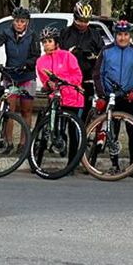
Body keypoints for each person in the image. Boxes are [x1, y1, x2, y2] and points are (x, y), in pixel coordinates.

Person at [93, 19, 133, 175]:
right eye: (119, 35)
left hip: (130, 97)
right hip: (111, 97)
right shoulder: (106, 51)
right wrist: (102, 95)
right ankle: (114, 164)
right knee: (113, 132)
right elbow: (98, 74)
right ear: (115, 35)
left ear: (129, 35)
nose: (122, 38)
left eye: (125, 34)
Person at [35, 26, 85, 168]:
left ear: (56, 42)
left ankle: (72, 164)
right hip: (55, 98)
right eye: (44, 42)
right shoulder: (40, 62)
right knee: (47, 127)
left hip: (72, 98)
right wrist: (48, 84)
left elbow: (77, 76)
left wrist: (61, 79)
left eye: (49, 41)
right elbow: (44, 81)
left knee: (72, 131)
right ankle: (37, 160)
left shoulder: (67, 56)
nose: (47, 44)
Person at [59, 0, 105, 99]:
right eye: (80, 21)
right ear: (74, 17)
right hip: (69, 77)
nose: (83, 24)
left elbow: (103, 54)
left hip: (88, 76)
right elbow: (58, 54)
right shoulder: (65, 33)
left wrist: (94, 56)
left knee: (87, 107)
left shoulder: (95, 34)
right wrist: (69, 53)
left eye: (86, 21)